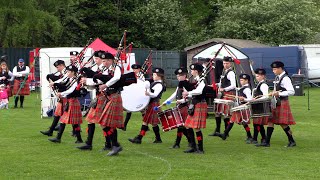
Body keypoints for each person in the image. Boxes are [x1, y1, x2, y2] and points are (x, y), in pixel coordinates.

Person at [76, 50, 112, 151]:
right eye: (95, 58)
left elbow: (100, 81)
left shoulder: (105, 70)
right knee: (91, 120)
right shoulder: (100, 69)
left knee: (103, 123)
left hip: (103, 97)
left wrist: (87, 80)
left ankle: (109, 144)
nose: (95, 60)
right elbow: (94, 85)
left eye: (97, 58)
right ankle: (89, 143)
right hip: (98, 96)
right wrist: (86, 82)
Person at [258, 61, 296, 147]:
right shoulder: (278, 77)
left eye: (275, 69)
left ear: (280, 68)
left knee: (283, 123)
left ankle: (292, 141)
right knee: (270, 121)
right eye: (273, 69)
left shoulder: (285, 78)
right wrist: (274, 92)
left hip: (282, 102)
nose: (273, 71)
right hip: (276, 102)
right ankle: (267, 142)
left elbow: (291, 92)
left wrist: (279, 94)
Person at [128, 67, 166, 144]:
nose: (153, 76)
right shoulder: (155, 82)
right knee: (153, 123)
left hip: (154, 104)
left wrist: (148, 93)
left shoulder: (159, 85)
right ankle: (158, 139)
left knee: (146, 121)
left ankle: (139, 138)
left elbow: (155, 95)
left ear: (159, 76)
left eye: (154, 74)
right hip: (152, 104)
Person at [97, 52, 124, 156]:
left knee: (108, 123)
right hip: (109, 97)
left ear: (110, 60)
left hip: (115, 97)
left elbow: (117, 78)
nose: (103, 63)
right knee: (104, 123)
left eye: (105, 61)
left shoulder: (116, 68)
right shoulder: (107, 70)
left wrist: (105, 85)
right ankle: (115, 145)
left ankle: (115, 146)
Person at [48, 65, 83, 143]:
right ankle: (77, 139)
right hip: (69, 101)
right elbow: (61, 81)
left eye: (68, 72)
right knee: (68, 121)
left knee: (72, 122)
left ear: (73, 72)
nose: (67, 73)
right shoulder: (70, 79)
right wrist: (54, 83)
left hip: (73, 101)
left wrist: (62, 93)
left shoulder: (76, 80)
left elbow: (71, 90)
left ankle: (59, 138)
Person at [218, 74, 253, 143]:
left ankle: (249, 136)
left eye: (242, 80)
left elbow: (250, 99)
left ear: (247, 81)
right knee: (233, 121)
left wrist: (244, 99)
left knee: (243, 123)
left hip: (243, 107)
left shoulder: (247, 89)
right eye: (240, 80)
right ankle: (225, 134)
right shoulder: (242, 88)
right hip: (239, 107)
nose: (241, 81)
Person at [162, 67, 193, 148]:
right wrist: (167, 102)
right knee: (180, 125)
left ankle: (190, 142)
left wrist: (182, 100)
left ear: (185, 75)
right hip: (179, 107)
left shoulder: (187, 84)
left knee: (186, 126)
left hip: (185, 107)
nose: (178, 77)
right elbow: (174, 94)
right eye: (178, 76)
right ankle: (178, 143)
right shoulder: (180, 83)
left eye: (180, 75)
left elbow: (190, 96)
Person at [182, 63, 207, 154]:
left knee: (196, 128)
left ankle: (200, 148)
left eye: (192, 70)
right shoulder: (196, 80)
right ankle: (193, 146)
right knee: (187, 126)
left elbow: (199, 91)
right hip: (195, 103)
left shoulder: (202, 80)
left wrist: (188, 93)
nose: (191, 72)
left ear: (196, 71)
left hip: (200, 104)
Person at [209, 56, 236, 137]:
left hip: (228, 94)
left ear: (230, 63)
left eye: (227, 63)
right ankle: (217, 130)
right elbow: (223, 82)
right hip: (222, 94)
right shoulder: (224, 71)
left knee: (226, 113)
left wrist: (224, 89)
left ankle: (226, 132)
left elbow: (233, 85)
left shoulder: (231, 73)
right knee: (217, 112)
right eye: (224, 63)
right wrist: (217, 84)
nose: (225, 65)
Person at [40, 60, 67, 136]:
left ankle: (77, 135)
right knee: (57, 114)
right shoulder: (62, 73)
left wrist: (54, 83)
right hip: (62, 96)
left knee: (69, 117)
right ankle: (51, 131)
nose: (57, 69)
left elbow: (64, 83)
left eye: (58, 67)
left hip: (65, 96)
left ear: (62, 65)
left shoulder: (67, 73)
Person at [122, 63, 145, 131]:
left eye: (136, 69)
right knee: (129, 110)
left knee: (142, 110)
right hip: (132, 94)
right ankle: (124, 125)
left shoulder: (142, 76)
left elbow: (142, 85)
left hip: (138, 94)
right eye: (134, 69)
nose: (135, 70)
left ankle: (146, 126)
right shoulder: (131, 75)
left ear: (139, 69)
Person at [251, 68, 269, 145]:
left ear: (263, 76)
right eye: (256, 76)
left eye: (258, 76)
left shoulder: (264, 85)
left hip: (261, 106)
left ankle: (260, 138)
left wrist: (255, 100)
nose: (256, 77)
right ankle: (259, 138)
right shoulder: (259, 84)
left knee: (258, 123)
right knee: (257, 123)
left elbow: (266, 96)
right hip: (257, 106)